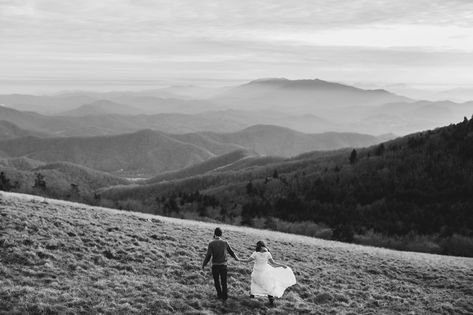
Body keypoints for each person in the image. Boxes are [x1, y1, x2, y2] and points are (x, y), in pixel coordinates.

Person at [239, 241, 296, 305]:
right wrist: (282, 265)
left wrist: (238, 259)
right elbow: (273, 264)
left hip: (257, 271)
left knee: (255, 283)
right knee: (267, 284)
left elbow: (247, 261)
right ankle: (270, 298)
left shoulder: (255, 253)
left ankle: (252, 296)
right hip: (265, 271)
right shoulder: (267, 253)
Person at [202, 227, 239, 301]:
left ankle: (219, 295)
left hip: (215, 265)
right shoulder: (225, 242)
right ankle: (225, 297)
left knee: (216, 281)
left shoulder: (211, 243)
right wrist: (236, 258)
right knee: (224, 282)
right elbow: (231, 252)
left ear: (214, 234)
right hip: (223, 265)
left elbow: (208, 256)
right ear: (221, 234)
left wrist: (204, 264)